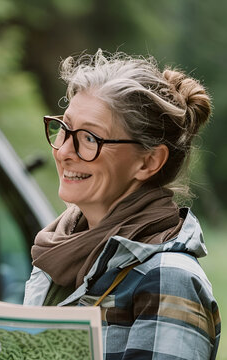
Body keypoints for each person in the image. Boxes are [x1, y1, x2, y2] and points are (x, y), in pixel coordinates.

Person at [24, 50, 221, 359]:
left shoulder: (168, 280)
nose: (64, 151)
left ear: (148, 161)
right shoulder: (60, 252)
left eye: (89, 138)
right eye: (64, 128)